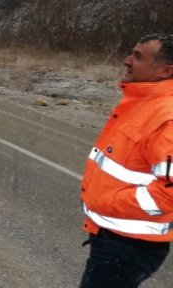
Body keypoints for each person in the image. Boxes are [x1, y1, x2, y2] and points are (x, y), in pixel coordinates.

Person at [79, 33, 173, 287]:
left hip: (129, 245)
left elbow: (170, 193)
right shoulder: (142, 104)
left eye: (138, 57)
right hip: (115, 239)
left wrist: (108, 202)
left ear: (165, 70)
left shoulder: (167, 117)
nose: (127, 60)